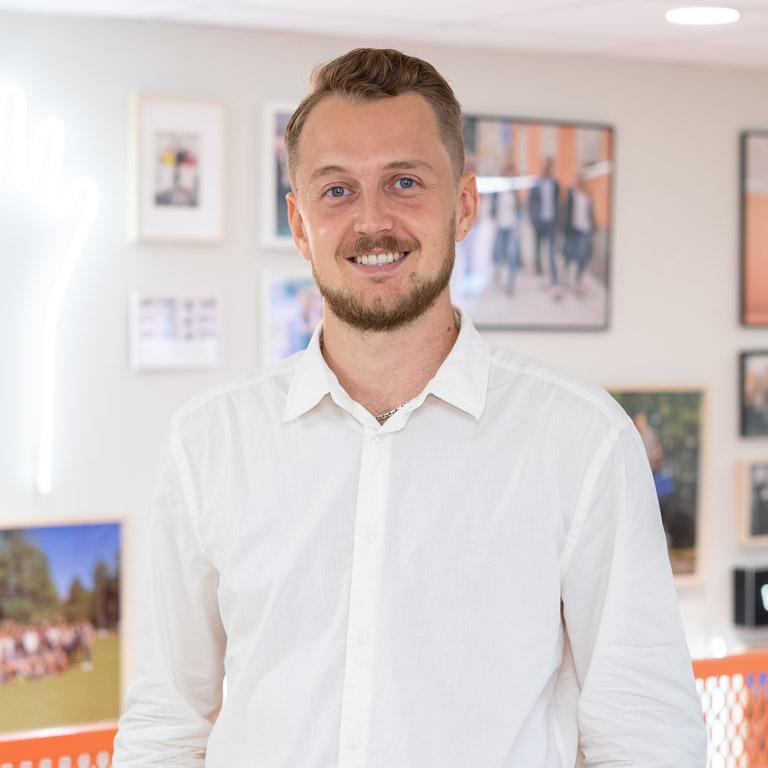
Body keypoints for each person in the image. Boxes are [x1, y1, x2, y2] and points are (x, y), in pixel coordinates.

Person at [113, 48, 706, 767]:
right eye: (337, 190)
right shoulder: (209, 442)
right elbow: (168, 725)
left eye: (404, 182)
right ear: (299, 223)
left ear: (464, 205)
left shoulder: (581, 440)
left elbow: (646, 732)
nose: (373, 222)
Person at [528, 156, 561, 288]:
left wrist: (558, 222)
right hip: (539, 221)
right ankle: (539, 275)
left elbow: (558, 202)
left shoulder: (555, 183)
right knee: (538, 250)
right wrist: (533, 219)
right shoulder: (537, 183)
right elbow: (531, 202)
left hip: (551, 222)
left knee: (552, 252)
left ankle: (554, 279)